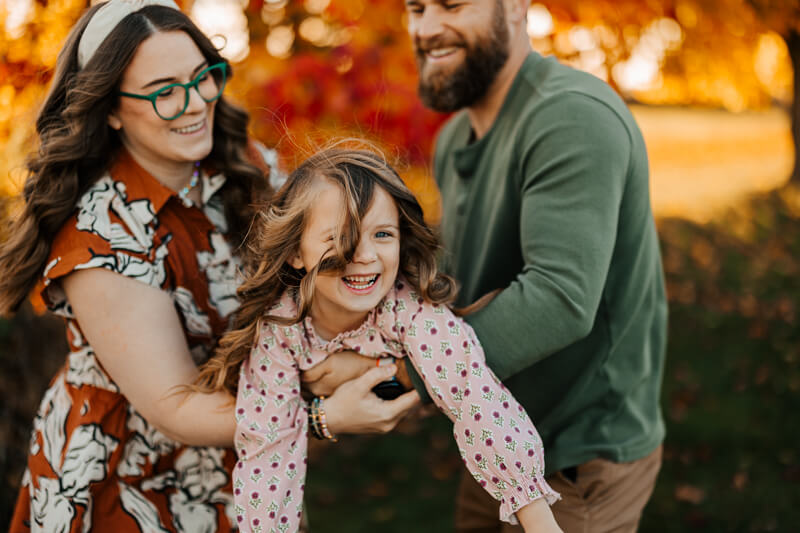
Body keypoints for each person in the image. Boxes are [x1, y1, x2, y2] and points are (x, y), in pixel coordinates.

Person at [0, 2, 414, 531]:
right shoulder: (99, 234)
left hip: (246, 454)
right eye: (165, 91)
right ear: (109, 109)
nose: (197, 104)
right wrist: (319, 415)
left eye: (203, 77)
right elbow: (177, 405)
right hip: (124, 479)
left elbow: (324, 273)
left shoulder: (244, 165)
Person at [308, 1, 668, 531]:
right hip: (490, 428)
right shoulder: (455, 137)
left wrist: (389, 374)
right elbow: (460, 285)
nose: (427, 27)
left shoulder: (572, 116)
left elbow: (559, 299)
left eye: (452, 4)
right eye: (416, 7)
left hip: (579, 452)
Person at [194, 147, 562, 532]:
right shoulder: (279, 331)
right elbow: (268, 448)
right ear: (295, 253)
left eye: (382, 234)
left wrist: (534, 512)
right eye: (340, 237)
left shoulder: (411, 312)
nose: (365, 255)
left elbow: (473, 394)